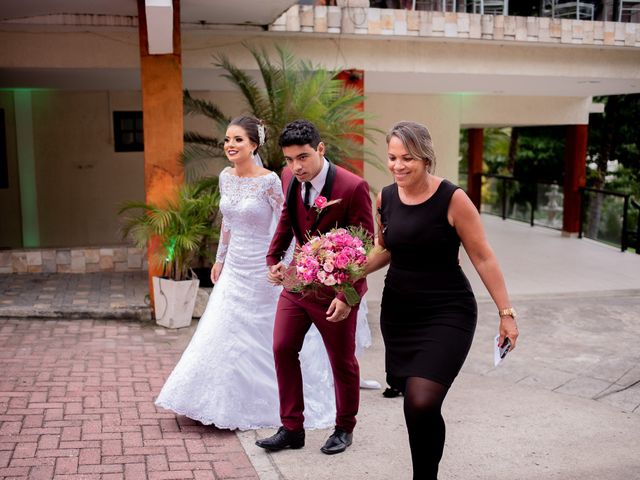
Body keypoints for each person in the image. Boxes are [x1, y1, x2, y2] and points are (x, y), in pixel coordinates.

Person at [154, 116, 336, 430]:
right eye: (227, 140)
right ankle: (211, 400)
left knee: (263, 333)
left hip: (263, 267)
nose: (230, 146)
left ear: (254, 144)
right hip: (235, 265)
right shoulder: (225, 177)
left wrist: (281, 264)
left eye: (238, 139)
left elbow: (285, 224)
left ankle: (274, 402)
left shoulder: (269, 181)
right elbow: (227, 222)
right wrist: (220, 258)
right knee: (221, 328)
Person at [365, 121, 519, 479]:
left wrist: (506, 313)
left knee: (421, 400)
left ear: (426, 158)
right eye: (392, 157)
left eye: (408, 158)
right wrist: (345, 272)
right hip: (400, 312)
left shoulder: (453, 198)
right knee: (417, 404)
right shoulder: (384, 198)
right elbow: (384, 249)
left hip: (447, 311)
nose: (398, 166)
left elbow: (483, 257)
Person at [256, 120, 374, 455]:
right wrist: (273, 258)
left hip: (336, 292)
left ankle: (344, 428)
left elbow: (365, 250)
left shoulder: (353, 187)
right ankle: (292, 428)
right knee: (281, 347)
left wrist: (347, 297)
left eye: (303, 157)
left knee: (341, 361)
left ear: (320, 149)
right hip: (296, 281)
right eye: (290, 159)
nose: (296, 166)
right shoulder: (290, 177)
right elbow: (287, 218)